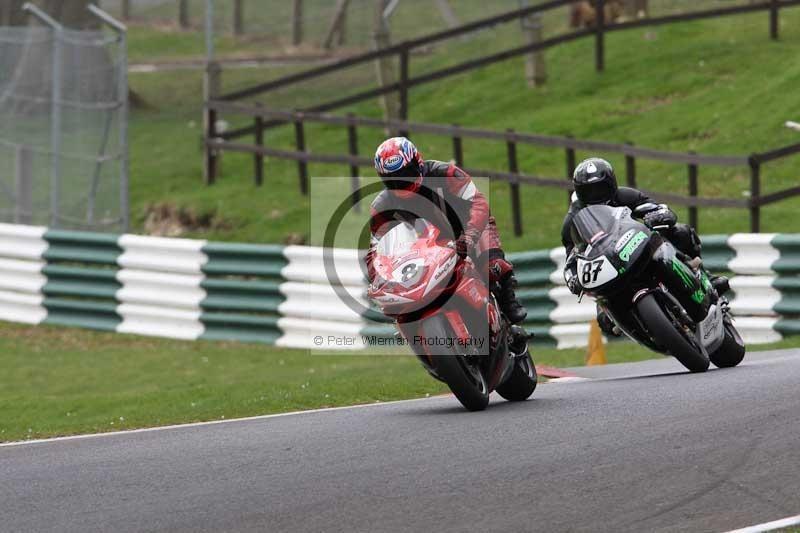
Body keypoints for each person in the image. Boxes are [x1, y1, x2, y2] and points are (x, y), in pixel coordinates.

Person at [364, 136, 527, 325]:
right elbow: (376, 250)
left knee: (493, 266)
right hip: (427, 249)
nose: (401, 184)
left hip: (470, 228)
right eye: (392, 180)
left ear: (417, 162)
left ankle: (508, 300)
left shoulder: (446, 173)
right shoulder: (381, 206)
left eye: (406, 174)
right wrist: (378, 276)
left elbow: (478, 202)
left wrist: (469, 236)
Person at [561, 157, 729, 336]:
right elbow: (571, 258)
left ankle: (705, 277)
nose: (596, 195)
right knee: (605, 322)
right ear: (580, 193)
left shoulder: (624, 195)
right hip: (609, 267)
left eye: (600, 188)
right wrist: (573, 278)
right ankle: (645, 331)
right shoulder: (573, 220)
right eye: (589, 191)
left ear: (611, 184)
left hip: (639, 247)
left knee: (682, 232)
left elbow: (659, 208)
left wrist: (659, 215)